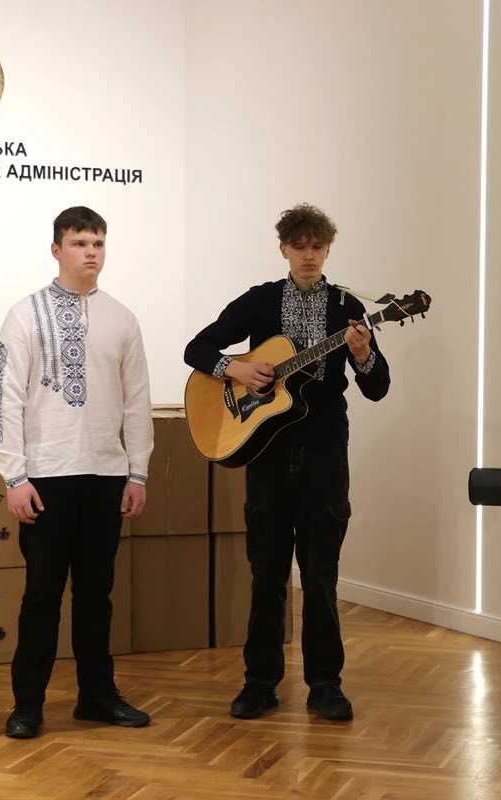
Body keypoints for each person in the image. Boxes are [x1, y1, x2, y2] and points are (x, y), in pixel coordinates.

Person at [184, 203, 391, 721]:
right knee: (267, 574)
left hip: (324, 456)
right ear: (283, 249)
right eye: (299, 246)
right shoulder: (259, 301)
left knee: (321, 575)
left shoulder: (347, 307)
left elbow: (378, 387)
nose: (308, 255)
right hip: (268, 456)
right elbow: (197, 348)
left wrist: (362, 353)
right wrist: (235, 368)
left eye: (317, 246)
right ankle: (259, 683)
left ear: (328, 249)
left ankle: (326, 685)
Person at [0, 206, 153, 737]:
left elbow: (137, 401)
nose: (91, 252)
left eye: (98, 243)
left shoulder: (122, 319)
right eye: (80, 242)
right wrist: (14, 476)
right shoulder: (24, 314)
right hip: (46, 477)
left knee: (95, 597)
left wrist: (137, 472)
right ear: (57, 249)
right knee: (41, 596)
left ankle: (97, 697)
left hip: (105, 475)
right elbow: (5, 399)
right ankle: (27, 705)